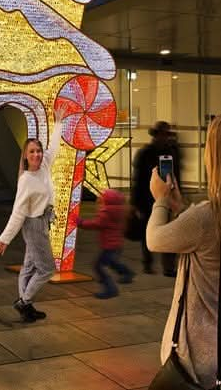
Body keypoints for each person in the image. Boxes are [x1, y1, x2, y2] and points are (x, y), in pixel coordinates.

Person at [147, 114, 221, 389]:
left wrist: (162, 202)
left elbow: (155, 239)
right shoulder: (203, 219)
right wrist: (181, 208)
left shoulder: (207, 217)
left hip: (199, 355)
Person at [0, 107, 65, 323]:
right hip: (33, 226)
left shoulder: (44, 166)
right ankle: (24, 301)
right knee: (47, 269)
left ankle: (27, 307)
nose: (37, 155)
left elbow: (54, 147)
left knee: (30, 266)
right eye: (32, 152)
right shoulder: (26, 180)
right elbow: (18, 213)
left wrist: (58, 122)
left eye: (38, 151)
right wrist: (4, 239)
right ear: (25, 155)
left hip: (43, 222)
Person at [131, 120, 179, 275]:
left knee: (171, 232)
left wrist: (178, 194)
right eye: (163, 133)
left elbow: (176, 175)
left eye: (167, 134)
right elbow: (137, 179)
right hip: (147, 198)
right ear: (156, 135)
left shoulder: (171, 152)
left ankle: (168, 266)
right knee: (148, 231)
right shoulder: (145, 153)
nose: (165, 137)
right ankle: (148, 263)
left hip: (168, 197)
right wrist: (135, 202)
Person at [76, 189, 134, 299]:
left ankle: (110, 288)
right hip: (117, 244)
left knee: (98, 266)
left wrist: (81, 222)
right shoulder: (121, 210)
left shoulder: (106, 212)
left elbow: (96, 224)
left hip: (108, 246)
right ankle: (127, 273)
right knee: (112, 262)